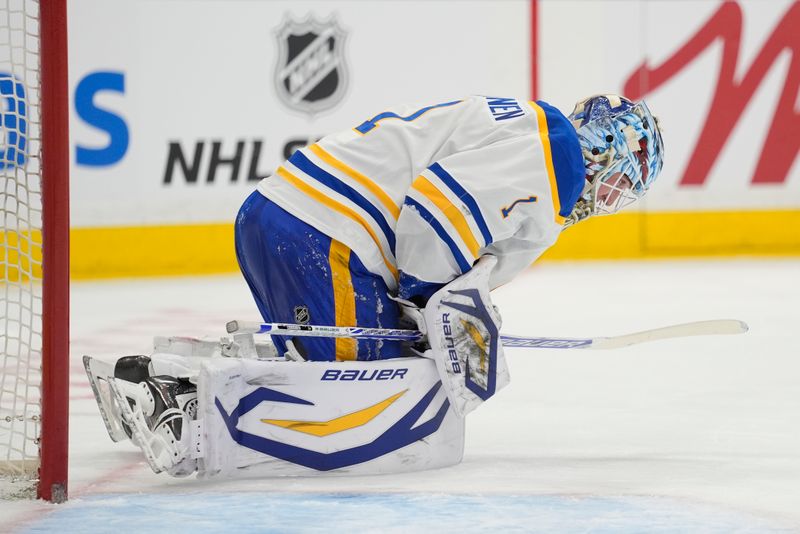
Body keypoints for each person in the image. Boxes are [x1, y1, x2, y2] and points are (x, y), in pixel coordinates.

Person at [234, 94, 665, 362]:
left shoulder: (531, 131)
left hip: (280, 215)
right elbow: (438, 214)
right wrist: (424, 304)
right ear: (606, 147)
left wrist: (444, 308)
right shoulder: (560, 162)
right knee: (371, 384)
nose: (612, 198)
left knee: (311, 369)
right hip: (324, 236)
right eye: (622, 181)